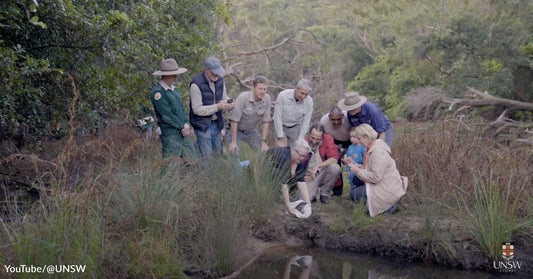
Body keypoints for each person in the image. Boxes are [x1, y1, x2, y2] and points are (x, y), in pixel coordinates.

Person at [342, 124, 408, 217]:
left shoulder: (378, 152)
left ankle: (388, 207)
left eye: (359, 138)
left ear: (366, 137)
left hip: (386, 188)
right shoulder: (373, 148)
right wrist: (352, 164)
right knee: (357, 187)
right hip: (384, 185)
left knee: (355, 194)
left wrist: (357, 171)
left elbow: (376, 177)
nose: (359, 142)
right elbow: (369, 169)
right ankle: (380, 206)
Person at [150, 58, 198, 159]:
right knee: (170, 166)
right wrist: (182, 126)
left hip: (183, 132)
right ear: (166, 75)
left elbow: (181, 110)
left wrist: (186, 124)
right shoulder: (158, 92)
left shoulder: (175, 90)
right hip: (171, 134)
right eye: (173, 74)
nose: (176, 77)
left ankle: (187, 175)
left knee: (192, 161)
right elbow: (166, 115)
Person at [189, 56, 234, 160]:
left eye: (218, 72)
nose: (216, 75)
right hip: (202, 126)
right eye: (213, 72)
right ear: (206, 70)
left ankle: (216, 176)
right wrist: (217, 107)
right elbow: (197, 109)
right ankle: (206, 176)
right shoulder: (196, 84)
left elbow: (224, 97)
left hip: (217, 124)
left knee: (218, 155)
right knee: (207, 158)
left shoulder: (220, 80)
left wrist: (230, 103)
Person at [265, 139, 312, 217]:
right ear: (293, 150)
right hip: (261, 176)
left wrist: (308, 202)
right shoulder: (283, 156)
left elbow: (301, 181)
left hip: (278, 182)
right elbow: (284, 185)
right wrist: (289, 209)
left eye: (305, 156)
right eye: (301, 155)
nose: (303, 158)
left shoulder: (298, 161)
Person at [227, 75, 271, 157]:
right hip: (237, 130)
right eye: (260, 89)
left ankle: (253, 168)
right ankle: (236, 168)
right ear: (253, 88)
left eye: (265, 89)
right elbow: (234, 120)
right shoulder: (243, 97)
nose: (263, 92)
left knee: (265, 153)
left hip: (251, 131)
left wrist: (263, 141)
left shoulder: (267, 99)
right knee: (233, 152)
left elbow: (266, 121)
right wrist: (234, 142)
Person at [304, 124, 342, 204]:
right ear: (309, 134)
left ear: (322, 136)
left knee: (335, 168)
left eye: (318, 139)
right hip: (309, 175)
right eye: (312, 138)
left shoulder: (328, 139)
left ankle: (324, 193)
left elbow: (334, 159)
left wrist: (317, 166)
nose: (314, 141)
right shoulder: (304, 142)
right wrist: (302, 176)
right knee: (307, 199)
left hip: (322, 172)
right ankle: (313, 194)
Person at [319, 106, 351, 196]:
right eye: (333, 120)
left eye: (338, 119)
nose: (336, 122)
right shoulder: (324, 121)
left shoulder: (348, 118)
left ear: (342, 117)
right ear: (329, 118)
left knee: (352, 162)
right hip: (334, 140)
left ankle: (354, 189)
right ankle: (337, 191)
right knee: (335, 164)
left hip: (350, 140)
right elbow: (324, 137)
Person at [273, 79, 314, 147]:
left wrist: (300, 139)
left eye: (306, 94)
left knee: (295, 150)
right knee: (282, 150)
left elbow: (306, 122)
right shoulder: (283, 96)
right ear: (296, 89)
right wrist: (280, 137)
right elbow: (277, 117)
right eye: (302, 93)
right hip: (281, 125)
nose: (303, 97)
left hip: (295, 127)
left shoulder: (309, 102)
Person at [345, 127, 366, 202]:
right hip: (351, 170)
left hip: (359, 169)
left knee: (358, 182)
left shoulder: (362, 148)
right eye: (350, 137)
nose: (352, 139)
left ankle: (359, 197)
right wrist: (347, 169)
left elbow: (365, 160)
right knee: (351, 181)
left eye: (354, 137)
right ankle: (352, 194)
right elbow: (347, 159)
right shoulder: (350, 147)